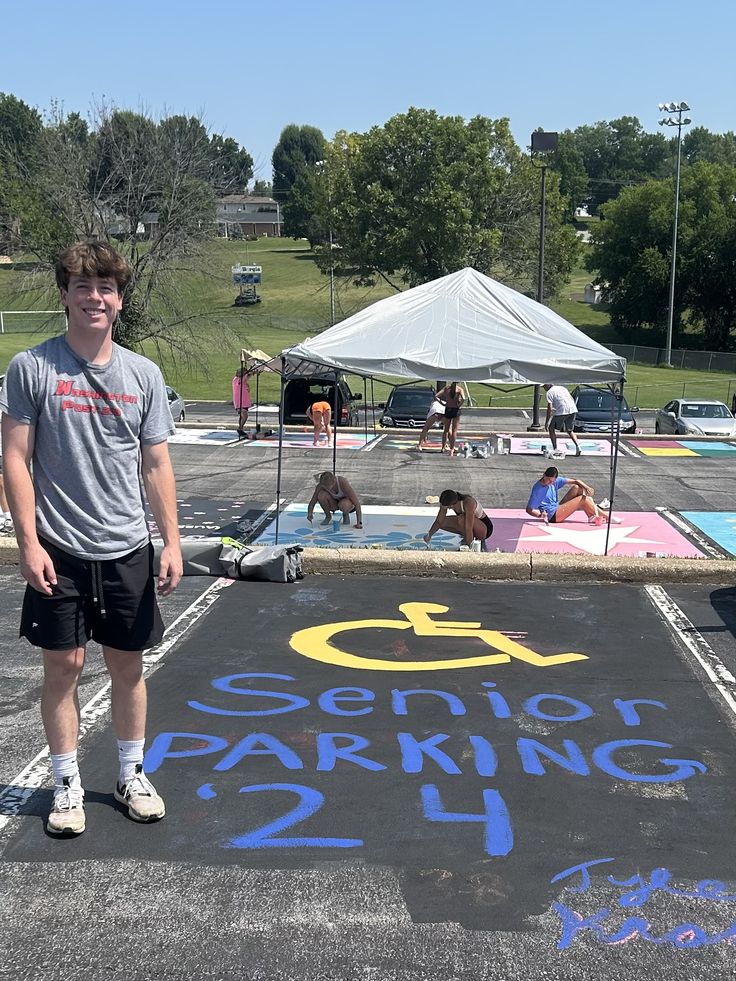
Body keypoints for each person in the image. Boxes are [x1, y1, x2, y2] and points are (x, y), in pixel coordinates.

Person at [0, 241, 183, 837]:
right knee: (63, 667)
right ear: (64, 294)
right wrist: (27, 542)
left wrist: (172, 541)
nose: (94, 297)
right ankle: (67, 784)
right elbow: (15, 459)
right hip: (59, 549)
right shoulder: (32, 368)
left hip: (127, 547)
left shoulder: (143, 374)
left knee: (127, 665)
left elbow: (155, 465)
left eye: (105, 287)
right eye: (83, 286)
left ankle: (132, 774)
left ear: (120, 300)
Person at [526, 466, 621, 525]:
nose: (550, 483)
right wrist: (539, 515)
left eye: (553, 481)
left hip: (557, 507)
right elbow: (528, 509)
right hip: (552, 516)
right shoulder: (537, 489)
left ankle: (591, 516)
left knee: (577, 488)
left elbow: (576, 481)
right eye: (549, 480)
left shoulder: (554, 481)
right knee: (583, 500)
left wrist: (587, 487)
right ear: (544, 475)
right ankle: (608, 517)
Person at [423, 489, 493, 549]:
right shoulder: (446, 503)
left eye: (446, 507)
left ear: (451, 505)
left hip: (485, 529)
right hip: (469, 526)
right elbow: (438, 522)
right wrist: (429, 535)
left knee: (462, 519)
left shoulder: (468, 503)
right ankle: (468, 539)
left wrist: (471, 548)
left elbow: (468, 528)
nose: (445, 509)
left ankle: (471, 541)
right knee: (442, 522)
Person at [543, 384, 581, 457]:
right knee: (569, 430)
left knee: (551, 429)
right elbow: (571, 398)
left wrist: (546, 422)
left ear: (548, 385)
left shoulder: (549, 392)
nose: (544, 388)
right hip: (573, 409)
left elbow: (549, 409)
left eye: (544, 386)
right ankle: (578, 446)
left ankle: (555, 448)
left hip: (562, 411)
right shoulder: (562, 388)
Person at [434, 382, 465, 456]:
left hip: (448, 409)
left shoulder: (446, 389)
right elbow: (463, 398)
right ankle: (452, 448)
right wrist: (459, 405)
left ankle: (443, 447)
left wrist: (442, 403)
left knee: (446, 430)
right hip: (456, 410)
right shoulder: (459, 389)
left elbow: (436, 396)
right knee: (454, 431)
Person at [232, 358, 252, 438]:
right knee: (245, 415)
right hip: (240, 401)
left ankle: (240, 428)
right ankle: (240, 428)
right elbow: (247, 376)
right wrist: (250, 372)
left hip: (243, 401)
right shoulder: (238, 380)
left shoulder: (239, 380)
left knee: (242, 415)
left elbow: (247, 378)